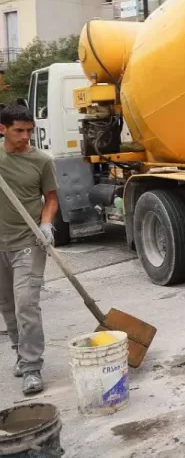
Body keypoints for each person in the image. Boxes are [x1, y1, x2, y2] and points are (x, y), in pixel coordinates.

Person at [0, 105, 58, 396]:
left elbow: (50, 198)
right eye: (18, 130)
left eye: (29, 131)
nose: (25, 137)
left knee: (26, 303)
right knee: (7, 304)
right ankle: (20, 354)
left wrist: (46, 224)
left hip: (29, 241)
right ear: (3, 129)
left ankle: (32, 367)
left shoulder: (41, 161)